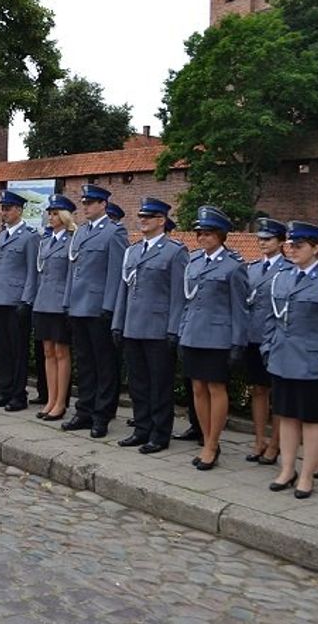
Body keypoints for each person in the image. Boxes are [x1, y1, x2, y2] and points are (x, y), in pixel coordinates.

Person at [263, 220, 318, 499]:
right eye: (290, 245)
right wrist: (268, 348)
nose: (292, 250)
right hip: (282, 358)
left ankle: (307, 474)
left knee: (313, 421)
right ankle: (287, 469)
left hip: (313, 362)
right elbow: (271, 318)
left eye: (298, 246)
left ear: (315, 248)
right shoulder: (283, 277)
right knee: (286, 416)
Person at [111, 197, 188, 454]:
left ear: (161, 221)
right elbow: (123, 290)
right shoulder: (132, 251)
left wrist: (173, 329)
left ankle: (159, 433)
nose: (142, 220)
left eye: (148, 217)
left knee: (160, 384)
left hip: (158, 328)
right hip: (133, 326)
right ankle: (141, 428)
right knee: (138, 383)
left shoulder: (175, 252)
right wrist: (118, 322)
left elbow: (179, 294)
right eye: (141, 216)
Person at [178, 206, 248, 470]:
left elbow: (239, 308)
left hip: (219, 336)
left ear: (220, 235)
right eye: (199, 233)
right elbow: (188, 301)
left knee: (216, 389)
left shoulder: (234, 266)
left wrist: (237, 342)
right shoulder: (194, 261)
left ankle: (212, 443)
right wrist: (183, 330)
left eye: (208, 233)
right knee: (197, 388)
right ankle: (207, 439)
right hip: (194, 333)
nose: (202, 238)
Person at [61, 184, 128, 437]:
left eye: (90, 203)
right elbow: (73, 271)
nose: (85, 207)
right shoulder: (79, 234)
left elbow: (115, 274)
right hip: (79, 306)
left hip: (99, 308)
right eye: (84, 203)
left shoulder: (114, 233)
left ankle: (102, 415)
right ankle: (84, 410)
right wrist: (67, 302)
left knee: (105, 364)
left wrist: (109, 307)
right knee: (85, 363)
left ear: (103, 205)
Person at [0, 189, 39, 412]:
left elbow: (32, 272)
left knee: (17, 351)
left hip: (16, 301)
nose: (4, 213)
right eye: (2, 209)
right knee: (2, 350)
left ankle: (18, 394)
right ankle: (4, 390)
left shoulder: (29, 236)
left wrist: (26, 300)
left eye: (7, 209)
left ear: (19, 210)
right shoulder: (1, 236)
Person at [244, 217, 291, 464]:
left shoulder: (288, 269)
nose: (263, 243)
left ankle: (276, 443)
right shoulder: (251, 268)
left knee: (279, 392)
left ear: (281, 242)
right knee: (258, 390)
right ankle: (259, 439)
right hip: (253, 336)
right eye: (260, 239)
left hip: (275, 339)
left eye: (269, 239)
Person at [32, 194, 77, 421]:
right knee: (47, 352)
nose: (51, 217)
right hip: (44, 301)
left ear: (64, 215)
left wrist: (68, 303)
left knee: (61, 352)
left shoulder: (72, 241)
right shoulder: (46, 241)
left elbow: (71, 276)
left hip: (60, 303)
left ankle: (61, 402)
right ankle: (50, 399)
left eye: (55, 213)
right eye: (49, 213)